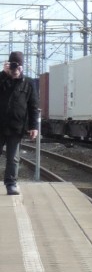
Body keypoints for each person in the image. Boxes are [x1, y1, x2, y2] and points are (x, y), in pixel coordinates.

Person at [0, 51, 40, 195]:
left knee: (13, 158)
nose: (15, 70)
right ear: (8, 65)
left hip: (16, 127)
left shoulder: (28, 83)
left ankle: (11, 184)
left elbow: (33, 106)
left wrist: (34, 126)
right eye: (13, 67)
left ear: (22, 67)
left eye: (18, 67)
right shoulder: (2, 78)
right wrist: (3, 74)